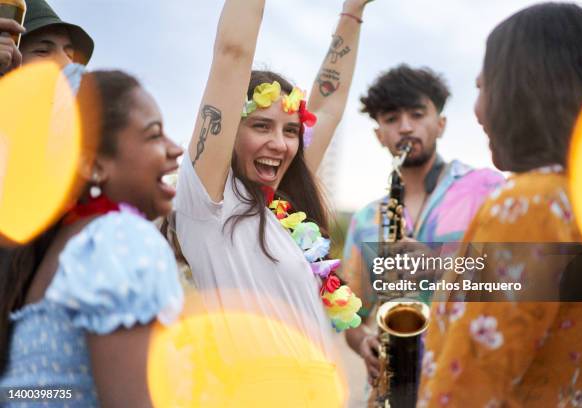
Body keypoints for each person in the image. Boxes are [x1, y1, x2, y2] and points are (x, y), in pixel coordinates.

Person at [0, 1, 257, 405]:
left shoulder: (66, 239)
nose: (175, 151)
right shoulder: (114, 241)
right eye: (154, 134)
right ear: (93, 162)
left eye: (73, 55)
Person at [418, 3, 582, 407]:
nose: (477, 111)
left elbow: (464, 392)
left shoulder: (531, 205)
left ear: (523, 89)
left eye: (483, 86)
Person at [174, 0, 373, 360]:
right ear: (229, 130)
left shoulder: (282, 207)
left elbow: (327, 107)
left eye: (291, 130)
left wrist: (353, 11)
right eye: (261, 126)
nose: (280, 144)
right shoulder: (209, 200)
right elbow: (232, 54)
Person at [342, 64, 504, 382]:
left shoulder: (488, 189)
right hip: (395, 386)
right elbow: (351, 316)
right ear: (379, 135)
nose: (405, 127)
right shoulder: (364, 220)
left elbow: (526, 277)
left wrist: (440, 265)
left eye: (417, 114)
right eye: (391, 119)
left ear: (440, 124)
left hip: (471, 384)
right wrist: (363, 341)